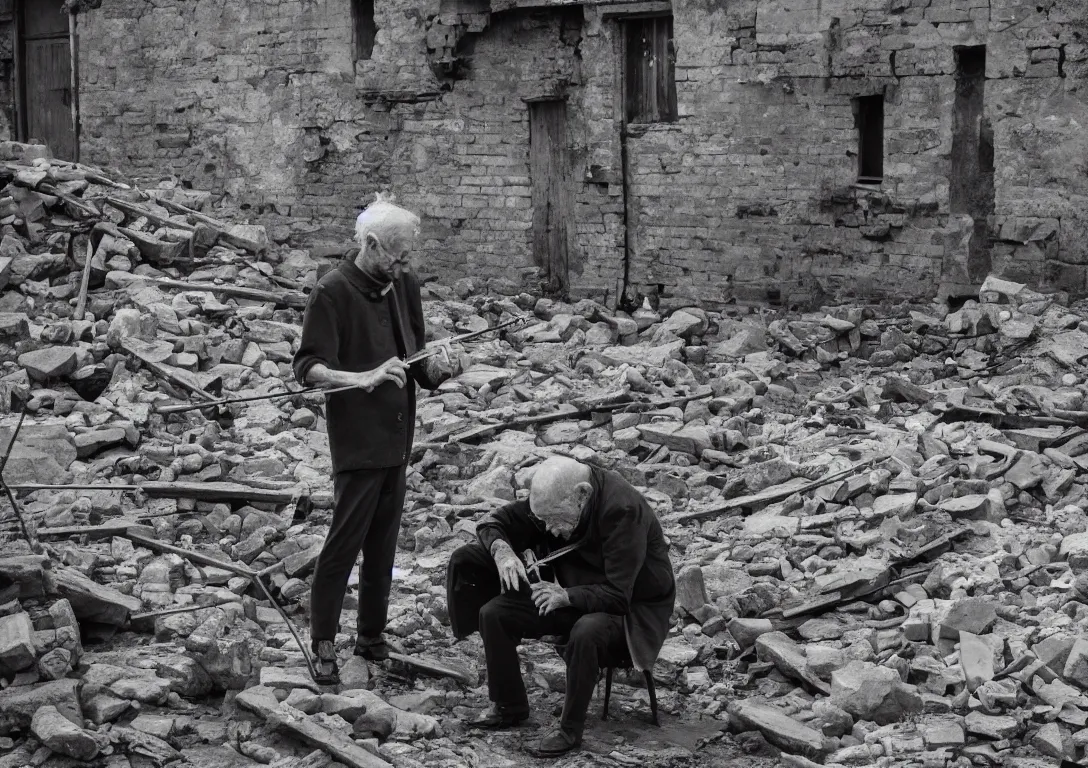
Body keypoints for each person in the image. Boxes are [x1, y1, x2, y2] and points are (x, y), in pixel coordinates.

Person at [293, 194, 455, 686]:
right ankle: (323, 642)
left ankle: (371, 637)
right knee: (345, 542)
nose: (404, 266)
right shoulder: (331, 292)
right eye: (396, 256)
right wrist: (358, 379)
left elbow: (416, 363)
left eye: (408, 258)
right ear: (369, 244)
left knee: (384, 546)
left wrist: (440, 370)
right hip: (358, 440)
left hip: (398, 436)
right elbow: (308, 369)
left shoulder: (402, 284)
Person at [445, 456, 676, 757]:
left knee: (586, 630)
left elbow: (619, 595)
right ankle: (509, 705)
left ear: (583, 495)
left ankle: (569, 732)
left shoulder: (622, 511)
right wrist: (502, 552)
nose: (550, 530)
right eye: (544, 522)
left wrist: (567, 597)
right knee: (496, 613)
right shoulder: (555, 500)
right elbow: (491, 523)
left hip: (631, 612)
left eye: (555, 520)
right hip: (569, 592)